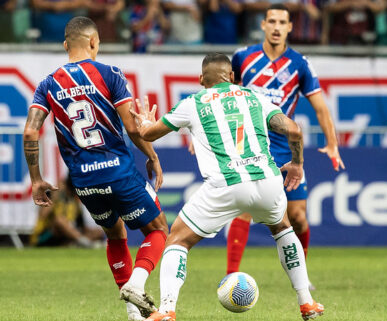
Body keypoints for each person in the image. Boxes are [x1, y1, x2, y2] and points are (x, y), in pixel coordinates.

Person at [131, 53, 324, 321]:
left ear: (201, 80)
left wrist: (144, 123)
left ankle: (166, 310)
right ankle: (307, 302)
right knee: (282, 228)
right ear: (232, 77)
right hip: (268, 180)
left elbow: (149, 134)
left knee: (177, 239)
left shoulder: (193, 102)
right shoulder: (254, 97)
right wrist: (297, 163)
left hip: (227, 184)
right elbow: (294, 131)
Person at [23, 16, 169, 321]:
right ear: (93, 42)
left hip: (83, 181)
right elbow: (131, 127)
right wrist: (152, 156)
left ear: (65, 45)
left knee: (114, 234)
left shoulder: (48, 84)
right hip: (118, 172)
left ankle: (133, 314)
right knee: (158, 230)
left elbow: (29, 132)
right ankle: (137, 285)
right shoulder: (110, 74)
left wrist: (36, 178)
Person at [229, 3, 345, 284]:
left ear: (290, 27)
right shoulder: (243, 58)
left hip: (285, 148)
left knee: (298, 217)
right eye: (272, 21)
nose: (277, 27)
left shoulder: (300, 64)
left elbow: (320, 108)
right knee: (245, 209)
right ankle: (231, 278)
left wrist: (332, 144)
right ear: (263, 25)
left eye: (283, 22)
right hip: (251, 145)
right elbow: (219, 94)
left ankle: (301, 276)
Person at [29, 175, 105, 248]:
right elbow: (42, 215)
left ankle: (77, 242)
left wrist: (93, 232)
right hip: (46, 235)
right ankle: (83, 242)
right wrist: (55, 195)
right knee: (60, 220)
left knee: (98, 231)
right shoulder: (51, 195)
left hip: (68, 235)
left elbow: (81, 224)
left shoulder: (74, 201)